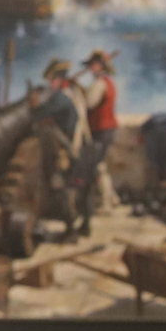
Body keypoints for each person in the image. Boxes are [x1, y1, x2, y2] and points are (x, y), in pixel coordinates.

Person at [32, 58, 90, 236]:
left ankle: (71, 230)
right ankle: (84, 227)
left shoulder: (60, 98)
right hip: (80, 147)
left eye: (52, 80)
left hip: (67, 151)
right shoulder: (73, 93)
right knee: (80, 189)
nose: (50, 84)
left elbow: (39, 113)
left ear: (58, 79)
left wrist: (35, 100)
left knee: (61, 188)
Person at [72, 50, 120, 214]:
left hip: (101, 130)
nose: (90, 69)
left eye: (93, 65)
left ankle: (107, 204)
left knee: (98, 167)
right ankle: (112, 198)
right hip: (107, 129)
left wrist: (75, 91)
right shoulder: (107, 82)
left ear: (100, 66)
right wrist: (78, 86)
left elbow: (89, 103)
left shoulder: (99, 84)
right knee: (101, 165)